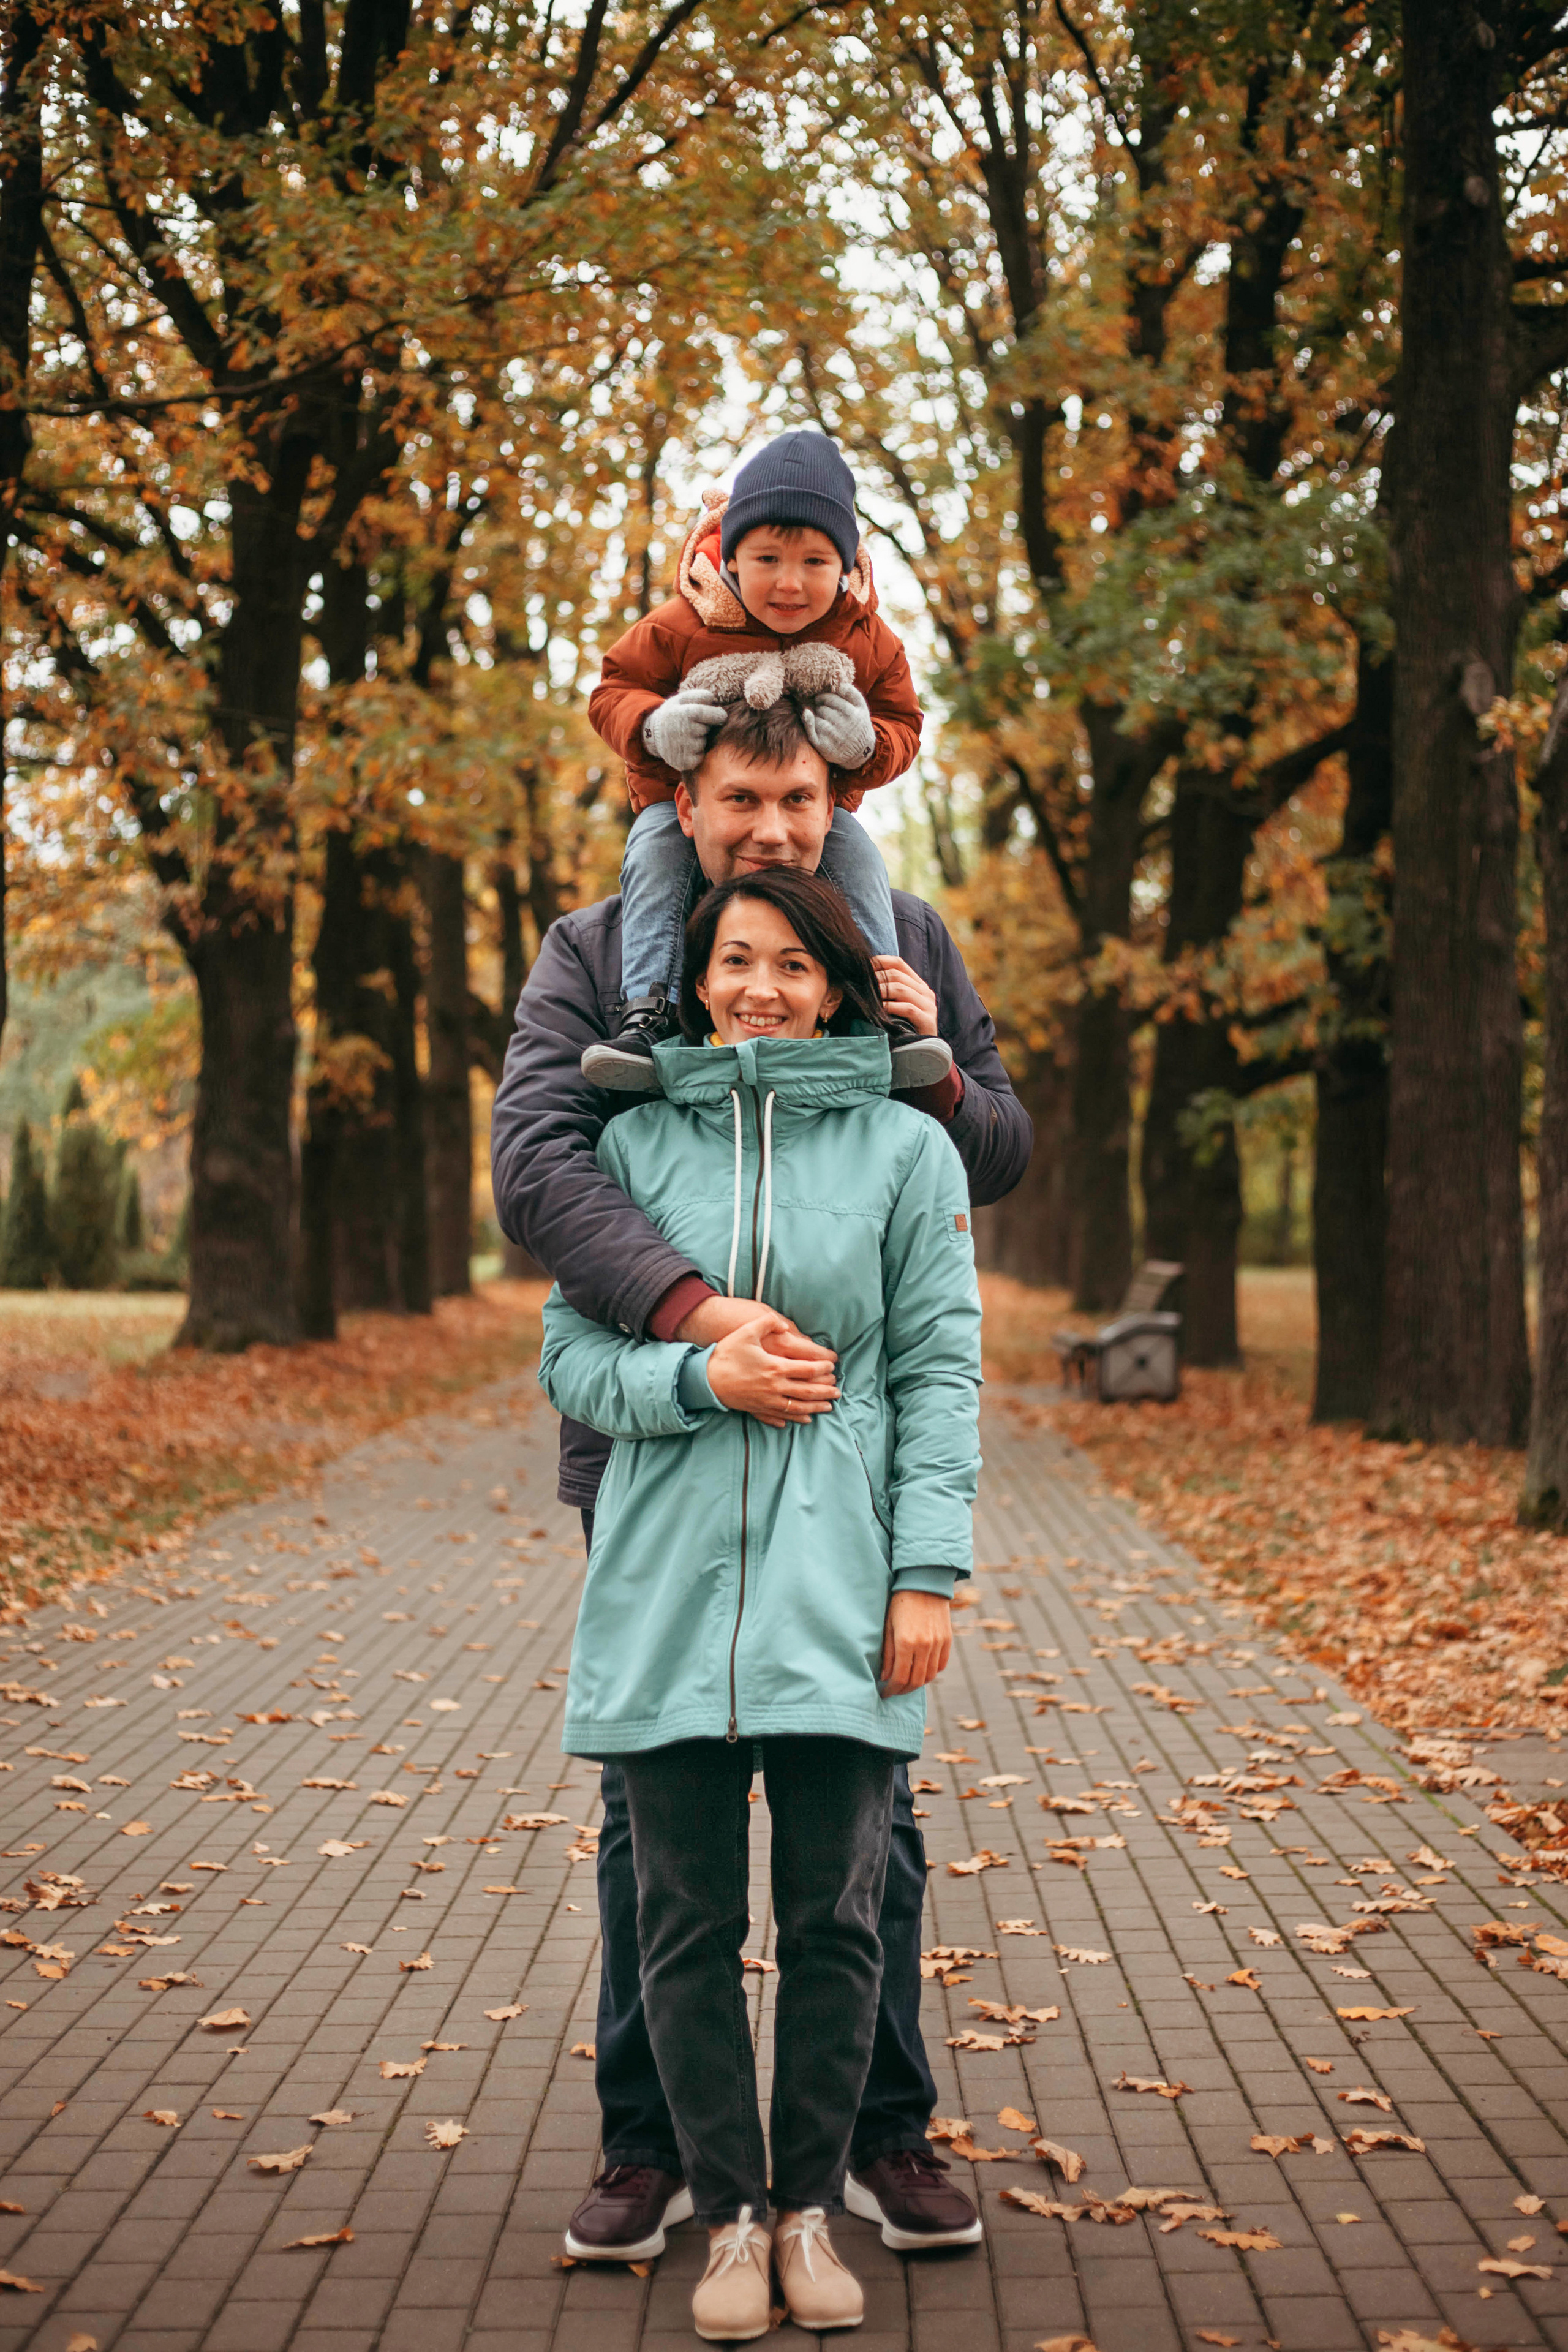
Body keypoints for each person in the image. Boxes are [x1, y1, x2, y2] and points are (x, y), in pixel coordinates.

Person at [490, 690, 1033, 2267]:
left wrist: (909, 1044)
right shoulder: (594, 950)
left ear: (834, 794)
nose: (772, 827)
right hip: (658, 1453)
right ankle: (653, 2144)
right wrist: (695, 1323)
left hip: (842, 1487)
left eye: (800, 796)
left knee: (861, 1824)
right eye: (742, 796)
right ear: (686, 793)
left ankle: (871, 2129)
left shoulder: (902, 933)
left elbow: (988, 1149)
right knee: (651, 1830)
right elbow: (538, 1166)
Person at [584, 427, 951, 1093]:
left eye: (815, 562)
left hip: (819, 811)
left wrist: (865, 748)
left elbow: (904, 724)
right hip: (680, 804)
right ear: (730, 557)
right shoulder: (682, 621)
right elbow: (613, 689)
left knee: (861, 859)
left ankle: (879, 1020)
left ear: (845, 564)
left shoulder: (866, 637)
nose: (790, 583)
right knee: (653, 856)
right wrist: (651, 727)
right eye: (767, 559)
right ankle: (650, 1013)